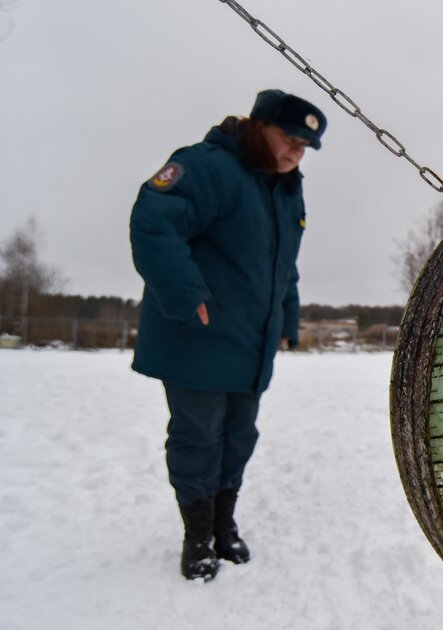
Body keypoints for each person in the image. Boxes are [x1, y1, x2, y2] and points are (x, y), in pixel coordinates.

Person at [129, 89, 326, 581]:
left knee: (239, 437)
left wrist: (287, 319)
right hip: (198, 334)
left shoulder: (286, 190)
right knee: (199, 437)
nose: (295, 153)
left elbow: (285, 267)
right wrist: (184, 293)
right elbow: (154, 221)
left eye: (305, 147)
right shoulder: (208, 167)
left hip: (251, 342)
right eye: (289, 139)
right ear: (258, 125)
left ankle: (222, 524)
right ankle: (196, 536)